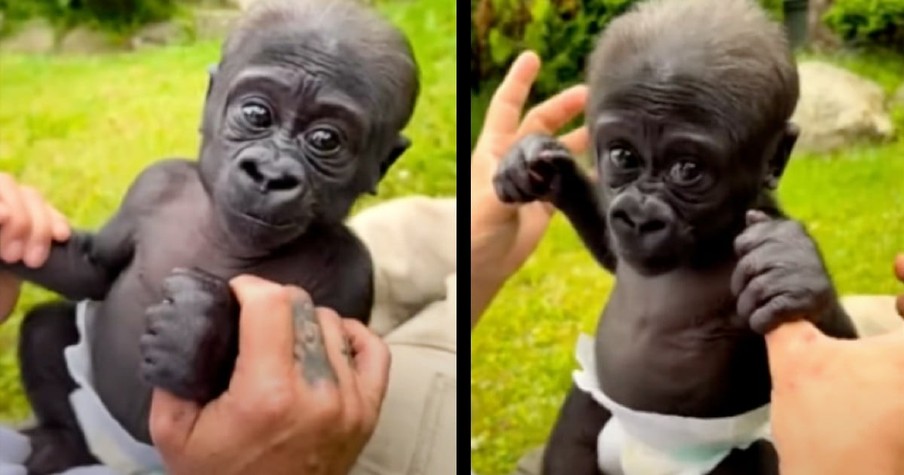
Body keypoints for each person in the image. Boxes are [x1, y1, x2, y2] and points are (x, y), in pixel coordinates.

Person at [470, 51, 904, 474]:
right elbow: (625, 259)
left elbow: (843, 372)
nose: (639, 207)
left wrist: (815, 302)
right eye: (624, 157)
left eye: (688, 169)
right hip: (607, 407)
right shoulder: (663, 223)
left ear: (772, 158)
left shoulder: (758, 249)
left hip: (716, 448)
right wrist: (565, 187)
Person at [0, 173, 457, 474]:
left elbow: (91, 268)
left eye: (324, 141)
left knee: (402, 239)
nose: (270, 167)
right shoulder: (164, 191)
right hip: (247, 448)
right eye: (255, 115)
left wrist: (22, 246)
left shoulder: (173, 185)